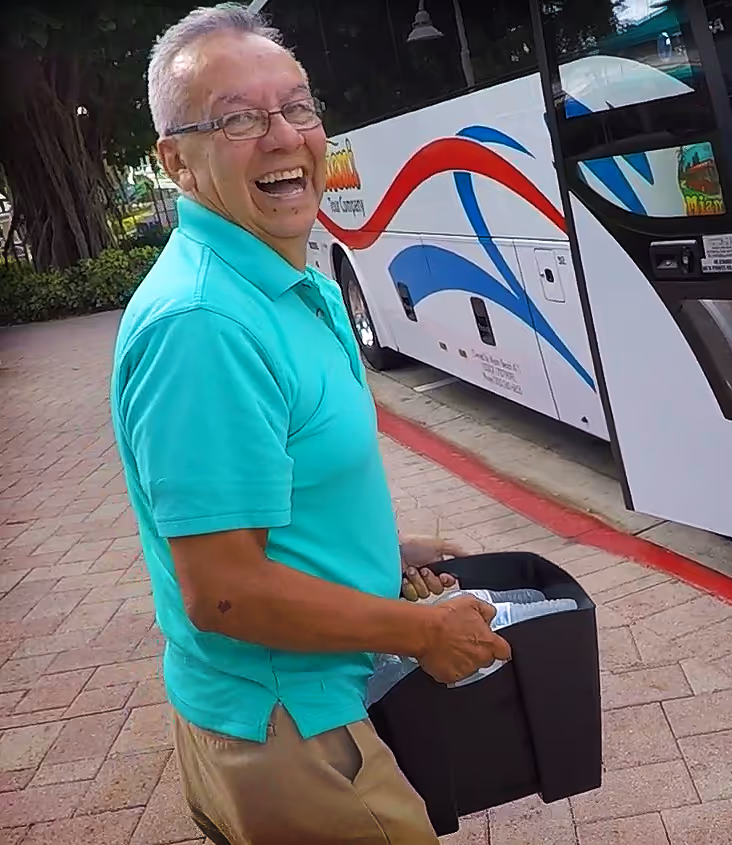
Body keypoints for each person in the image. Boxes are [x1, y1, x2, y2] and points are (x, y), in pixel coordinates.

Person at [108, 4, 510, 842]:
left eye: (297, 105)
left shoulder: (299, 283)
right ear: (175, 162)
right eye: (238, 118)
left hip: (309, 700)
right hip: (289, 730)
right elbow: (223, 588)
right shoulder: (205, 323)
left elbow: (270, 515)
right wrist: (421, 629)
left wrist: (380, 559)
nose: (284, 135)